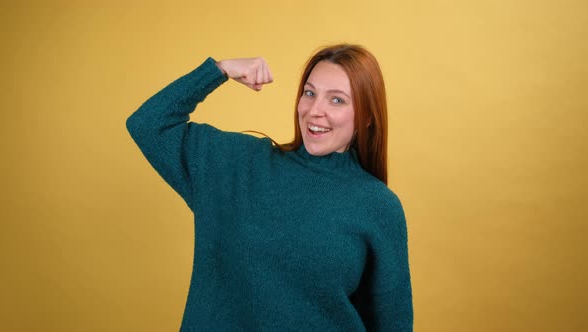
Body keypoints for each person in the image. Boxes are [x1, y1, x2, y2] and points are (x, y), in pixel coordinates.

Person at [127, 44, 413, 331]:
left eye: (336, 100)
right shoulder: (238, 164)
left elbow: (392, 324)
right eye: (310, 93)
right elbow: (149, 124)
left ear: (366, 117)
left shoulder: (378, 205)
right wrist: (220, 70)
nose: (315, 111)